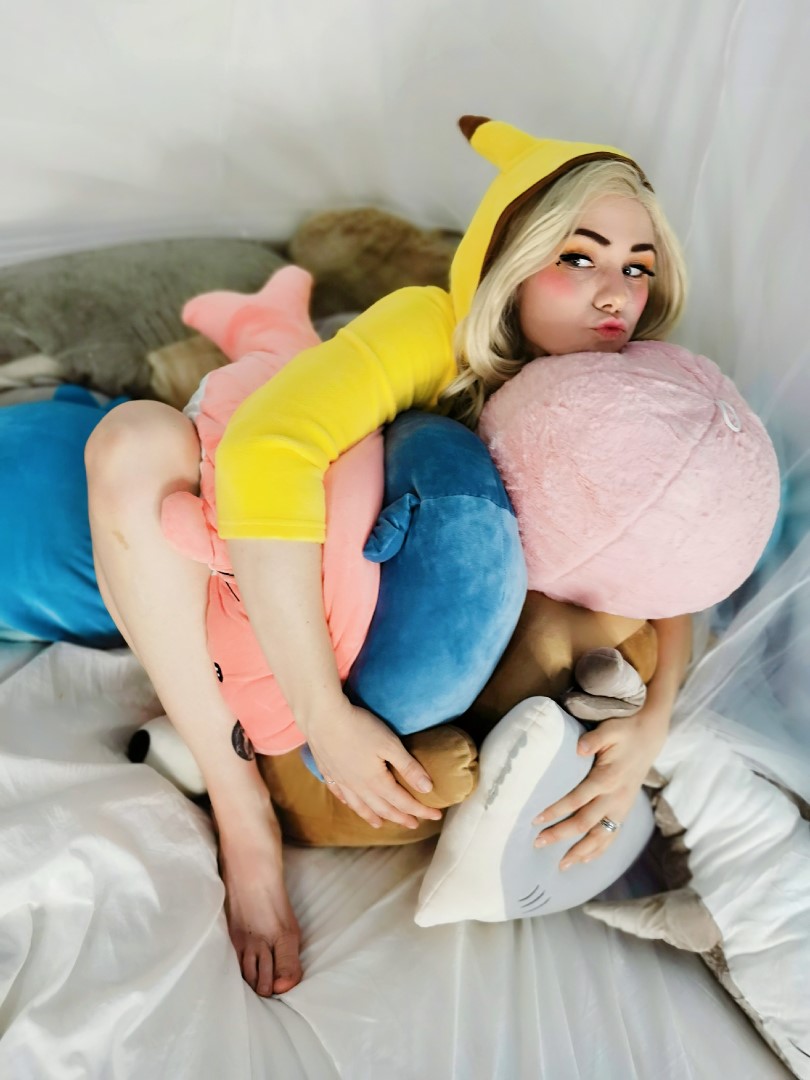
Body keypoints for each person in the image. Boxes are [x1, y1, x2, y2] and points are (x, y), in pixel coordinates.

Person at [85, 116, 692, 998]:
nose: (616, 295)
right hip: (286, 570)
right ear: (510, 260)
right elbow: (265, 455)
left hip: (429, 643)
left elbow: (679, 546)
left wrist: (653, 724)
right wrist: (325, 717)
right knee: (130, 441)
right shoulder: (432, 329)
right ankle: (241, 803)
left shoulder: (632, 381)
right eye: (578, 257)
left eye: (637, 267)